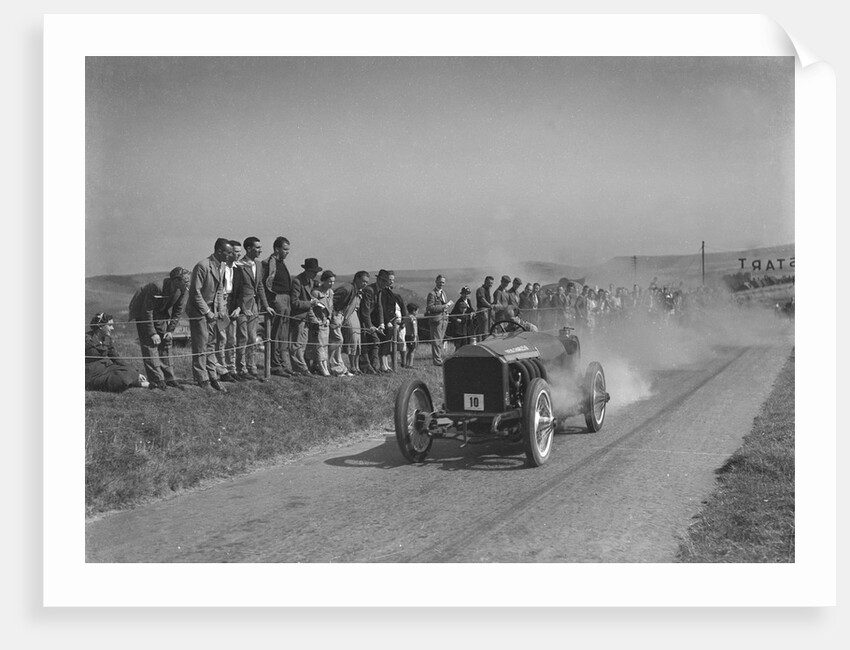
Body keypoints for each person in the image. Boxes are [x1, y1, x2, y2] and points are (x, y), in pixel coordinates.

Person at [128, 266, 190, 390]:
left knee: (166, 341)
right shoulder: (156, 287)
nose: (188, 284)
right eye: (186, 281)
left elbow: (177, 311)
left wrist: (170, 331)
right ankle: (156, 379)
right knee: (151, 343)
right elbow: (147, 311)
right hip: (142, 311)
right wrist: (152, 333)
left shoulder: (182, 289)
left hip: (160, 312)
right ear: (176, 280)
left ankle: (169, 378)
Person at [186, 238, 233, 392]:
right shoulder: (202, 266)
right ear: (219, 251)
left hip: (213, 311)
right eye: (228, 252)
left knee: (211, 343)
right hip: (199, 311)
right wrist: (207, 311)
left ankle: (213, 376)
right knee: (201, 344)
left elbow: (220, 289)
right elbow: (195, 293)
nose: (230, 255)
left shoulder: (222, 265)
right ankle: (201, 378)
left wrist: (220, 310)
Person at [229, 236, 275, 381]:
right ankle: (241, 367)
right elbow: (237, 289)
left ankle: (251, 366)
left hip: (254, 306)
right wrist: (242, 307)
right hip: (242, 305)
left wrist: (266, 305)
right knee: (242, 337)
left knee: (252, 338)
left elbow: (260, 286)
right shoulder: (239, 265)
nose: (260, 250)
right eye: (257, 248)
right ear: (249, 249)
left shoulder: (259, 265)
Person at [85, 312, 149, 392]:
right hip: (91, 374)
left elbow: (116, 357)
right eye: (110, 325)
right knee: (116, 377)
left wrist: (136, 372)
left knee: (127, 369)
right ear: (100, 326)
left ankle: (136, 381)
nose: (112, 328)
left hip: (106, 369)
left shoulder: (107, 339)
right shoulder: (86, 339)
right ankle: (139, 384)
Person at [263, 236, 294, 377]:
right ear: (277, 249)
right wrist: (272, 299)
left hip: (286, 298)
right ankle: (275, 365)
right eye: (285, 249)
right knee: (275, 333)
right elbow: (265, 283)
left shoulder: (282, 263)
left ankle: (282, 363)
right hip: (278, 298)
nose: (288, 252)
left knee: (284, 334)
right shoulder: (269, 263)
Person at [289, 258, 322, 376]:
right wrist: (310, 303)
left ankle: (301, 368)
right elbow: (294, 302)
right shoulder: (298, 281)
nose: (315, 274)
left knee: (303, 343)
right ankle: (301, 368)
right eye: (313, 272)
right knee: (297, 344)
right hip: (298, 317)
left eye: (316, 272)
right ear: (307, 270)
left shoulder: (310, 282)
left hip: (306, 316)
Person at [215, 240, 242, 382]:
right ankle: (222, 369)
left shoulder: (238, 269)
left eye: (238, 252)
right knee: (222, 339)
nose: (237, 255)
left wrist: (238, 307)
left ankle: (232, 368)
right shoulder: (220, 268)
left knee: (232, 338)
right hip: (221, 303)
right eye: (233, 252)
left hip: (232, 305)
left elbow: (239, 292)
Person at [334, 270, 369, 375]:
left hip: (355, 314)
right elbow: (335, 301)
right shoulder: (348, 288)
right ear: (357, 279)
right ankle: (352, 366)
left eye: (366, 282)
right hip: (347, 313)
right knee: (352, 339)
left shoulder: (358, 290)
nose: (365, 284)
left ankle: (356, 366)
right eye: (363, 281)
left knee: (357, 340)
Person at [307, 270, 335, 377]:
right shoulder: (316, 293)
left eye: (333, 282)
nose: (331, 284)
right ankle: (322, 367)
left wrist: (329, 318)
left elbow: (331, 308)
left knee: (324, 345)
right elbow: (311, 308)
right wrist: (314, 320)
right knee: (318, 345)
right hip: (318, 322)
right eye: (329, 281)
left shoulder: (331, 293)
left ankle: (322, 365)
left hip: (325, 323)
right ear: (323, 281)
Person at [425, 274, 452, 366]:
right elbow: (430, 307)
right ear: (436, 282)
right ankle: (437, 360)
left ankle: (439, 358)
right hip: (436, 320)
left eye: (443, 282)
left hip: (444, 319)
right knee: (436, 341)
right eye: (440, 282)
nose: (442, 284)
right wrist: (444, 307)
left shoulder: (443, 293)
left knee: (440, 340)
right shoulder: (432, 294)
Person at [377, 270, 401, 372]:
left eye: (392, 280)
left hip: (392, 319)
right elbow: (383, 307)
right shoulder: (383, 292)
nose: (391, 282)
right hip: (388, 321)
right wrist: (387, 321)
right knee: (384, 343)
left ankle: (386, 364)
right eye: (389, 280)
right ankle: (383, 365)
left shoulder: (389, 291)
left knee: (388, 343)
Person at [447, 286, 475, 350]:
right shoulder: (459, 303)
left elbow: (471, 309)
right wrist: (457, 319)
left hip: (467, 325)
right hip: (460, 327)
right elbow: (452, 315)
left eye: (467, 294)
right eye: (464, 293)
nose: (466, 295)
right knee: (459, 345)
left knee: (467, 342)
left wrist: (472, 312)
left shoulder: (468, 301)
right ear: (461, 294)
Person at [401, 303, 420, 368]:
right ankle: (410, 364)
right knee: (412, 350)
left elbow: (403, 324)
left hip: (407, 335)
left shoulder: (406, 317)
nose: (417, 312)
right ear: (414, 311)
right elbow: (414, 327)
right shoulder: (413, 318)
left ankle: (406, 363)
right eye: (417, 311)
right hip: (412, 336)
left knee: (409, 350)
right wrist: (415, 336)